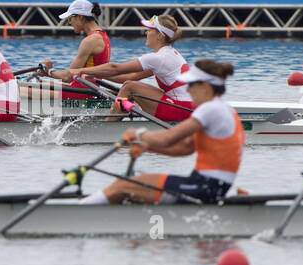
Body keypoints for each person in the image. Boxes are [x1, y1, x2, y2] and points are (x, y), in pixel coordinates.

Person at [80, 60, 242, 205]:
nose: (188, 90)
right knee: (133, 186)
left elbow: (168, 138)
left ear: (205, 87)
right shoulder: (224, 109)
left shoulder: (210, 109)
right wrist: (146, 147)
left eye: (191, 85)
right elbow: (184, 148)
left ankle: (79, 213)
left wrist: (139, 134)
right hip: (211, 185)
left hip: (205, 186)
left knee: (125, 184)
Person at [56, 15, 194, 122]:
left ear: (160, 35)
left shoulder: (157, 58)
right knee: (131, 86)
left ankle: (109, 126)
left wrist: (81, 70)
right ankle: (120, 113)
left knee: (129, 87)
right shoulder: (168, 54)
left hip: (181, 110)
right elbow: (132, 76)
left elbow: (115, 68)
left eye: (149, 30)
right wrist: (97, 76)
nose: (146, 32)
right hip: (186, 108)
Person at [35, 0, 111, 101]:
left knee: (21, 89)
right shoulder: (103, 36)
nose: (69, 23)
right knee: (37, 84)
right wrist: (48, 74)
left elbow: (68, 77)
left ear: (80, 17)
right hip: (89, 91)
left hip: (80, 94)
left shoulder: (90, 40)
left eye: (70, 19)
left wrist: (48, 72)